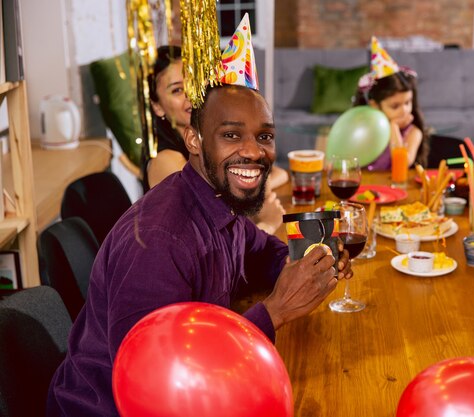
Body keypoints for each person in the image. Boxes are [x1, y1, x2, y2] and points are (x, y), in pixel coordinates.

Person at [47, 17, 353, 417]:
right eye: (231, 135)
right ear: (194, 140)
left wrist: (309, 260)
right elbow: (155, 377)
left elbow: (263, 252)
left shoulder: (220, 204)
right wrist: (276, 311)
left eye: (264, 136)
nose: (254, 151)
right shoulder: (160, 240)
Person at [145, 45, 288, 234]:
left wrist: (255, 181)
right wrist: (268, 223)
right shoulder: (166, 160)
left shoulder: (210, 141)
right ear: (157, 107)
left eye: (194, 83)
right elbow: (218, 237)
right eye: (177, 90)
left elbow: (279, 172)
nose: (191, 95)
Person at [353, 37, 429, 171]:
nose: (405, 110)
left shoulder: (413, 132)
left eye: (407, 102)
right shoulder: (366, 131)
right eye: (395, 106)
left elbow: (403, 164)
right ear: (375, 105)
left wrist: (393, 127)